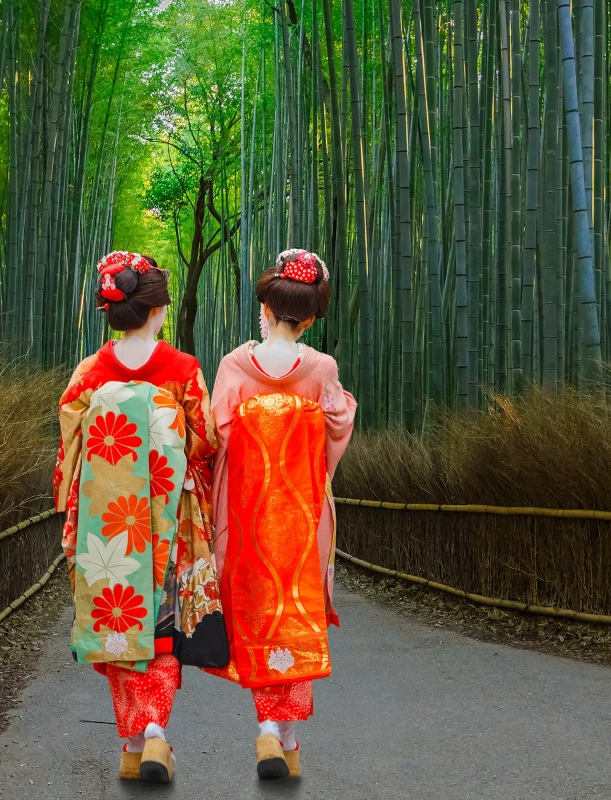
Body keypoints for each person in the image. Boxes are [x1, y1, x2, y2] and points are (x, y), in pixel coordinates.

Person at [52, 251, 224, 784]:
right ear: (156, 313)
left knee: (117, 623)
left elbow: (70, 446)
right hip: (166, 520)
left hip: (106, 522)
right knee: (162, 624)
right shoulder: (183, 370)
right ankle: (154, 737)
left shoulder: (90, 374)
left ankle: (133, 741)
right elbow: (205, 442)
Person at [207, 248, 357, 780]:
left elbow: (216, 436)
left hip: (245, 518)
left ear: (264, 308)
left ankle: (272, 732)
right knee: (297, 614)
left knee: (255, 614)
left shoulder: (232, 365)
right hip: (302, 514)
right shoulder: (322, 369)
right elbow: (336, 431)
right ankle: (281, 735)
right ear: (311, 317)